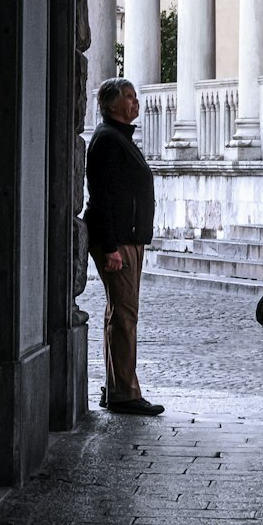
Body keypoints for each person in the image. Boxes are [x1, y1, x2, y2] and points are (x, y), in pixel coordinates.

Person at [84, 77, 164, 416]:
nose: (136, 103)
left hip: (128, 238)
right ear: (112, 104)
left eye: (135, 97)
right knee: (125, 316)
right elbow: (103, 196)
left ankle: (115, 386)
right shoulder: (107, 141)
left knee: (118, 314)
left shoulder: (118, 139)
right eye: (129, 97)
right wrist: (111, 246)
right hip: (118, 241)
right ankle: (125, 393)